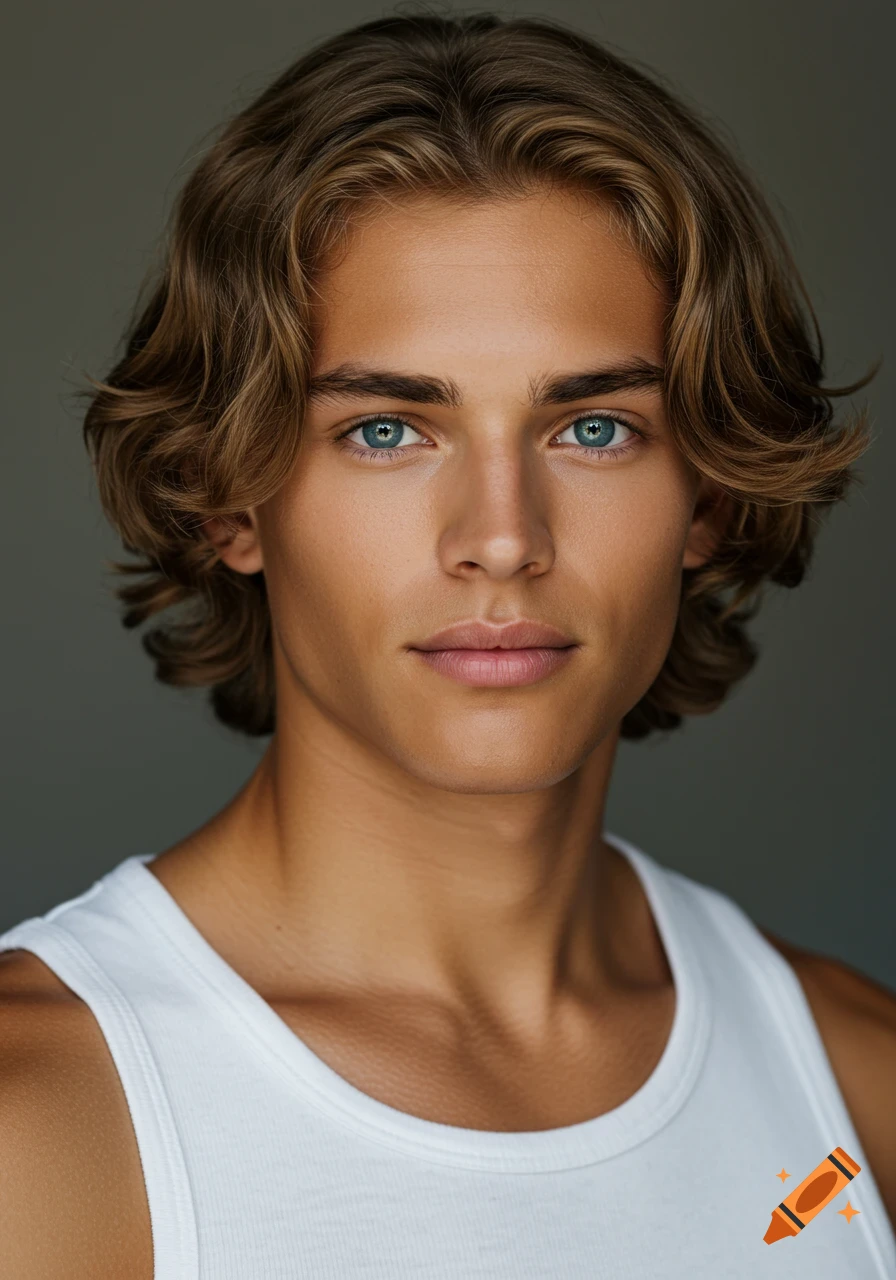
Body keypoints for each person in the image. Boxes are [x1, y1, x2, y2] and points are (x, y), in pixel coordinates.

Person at [1, 12, 893, 1278]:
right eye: (384, 429)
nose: (500, 537)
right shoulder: (36, 1127)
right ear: (227, 495)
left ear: (709, 496)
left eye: (592, 429)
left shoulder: (857, 1088)